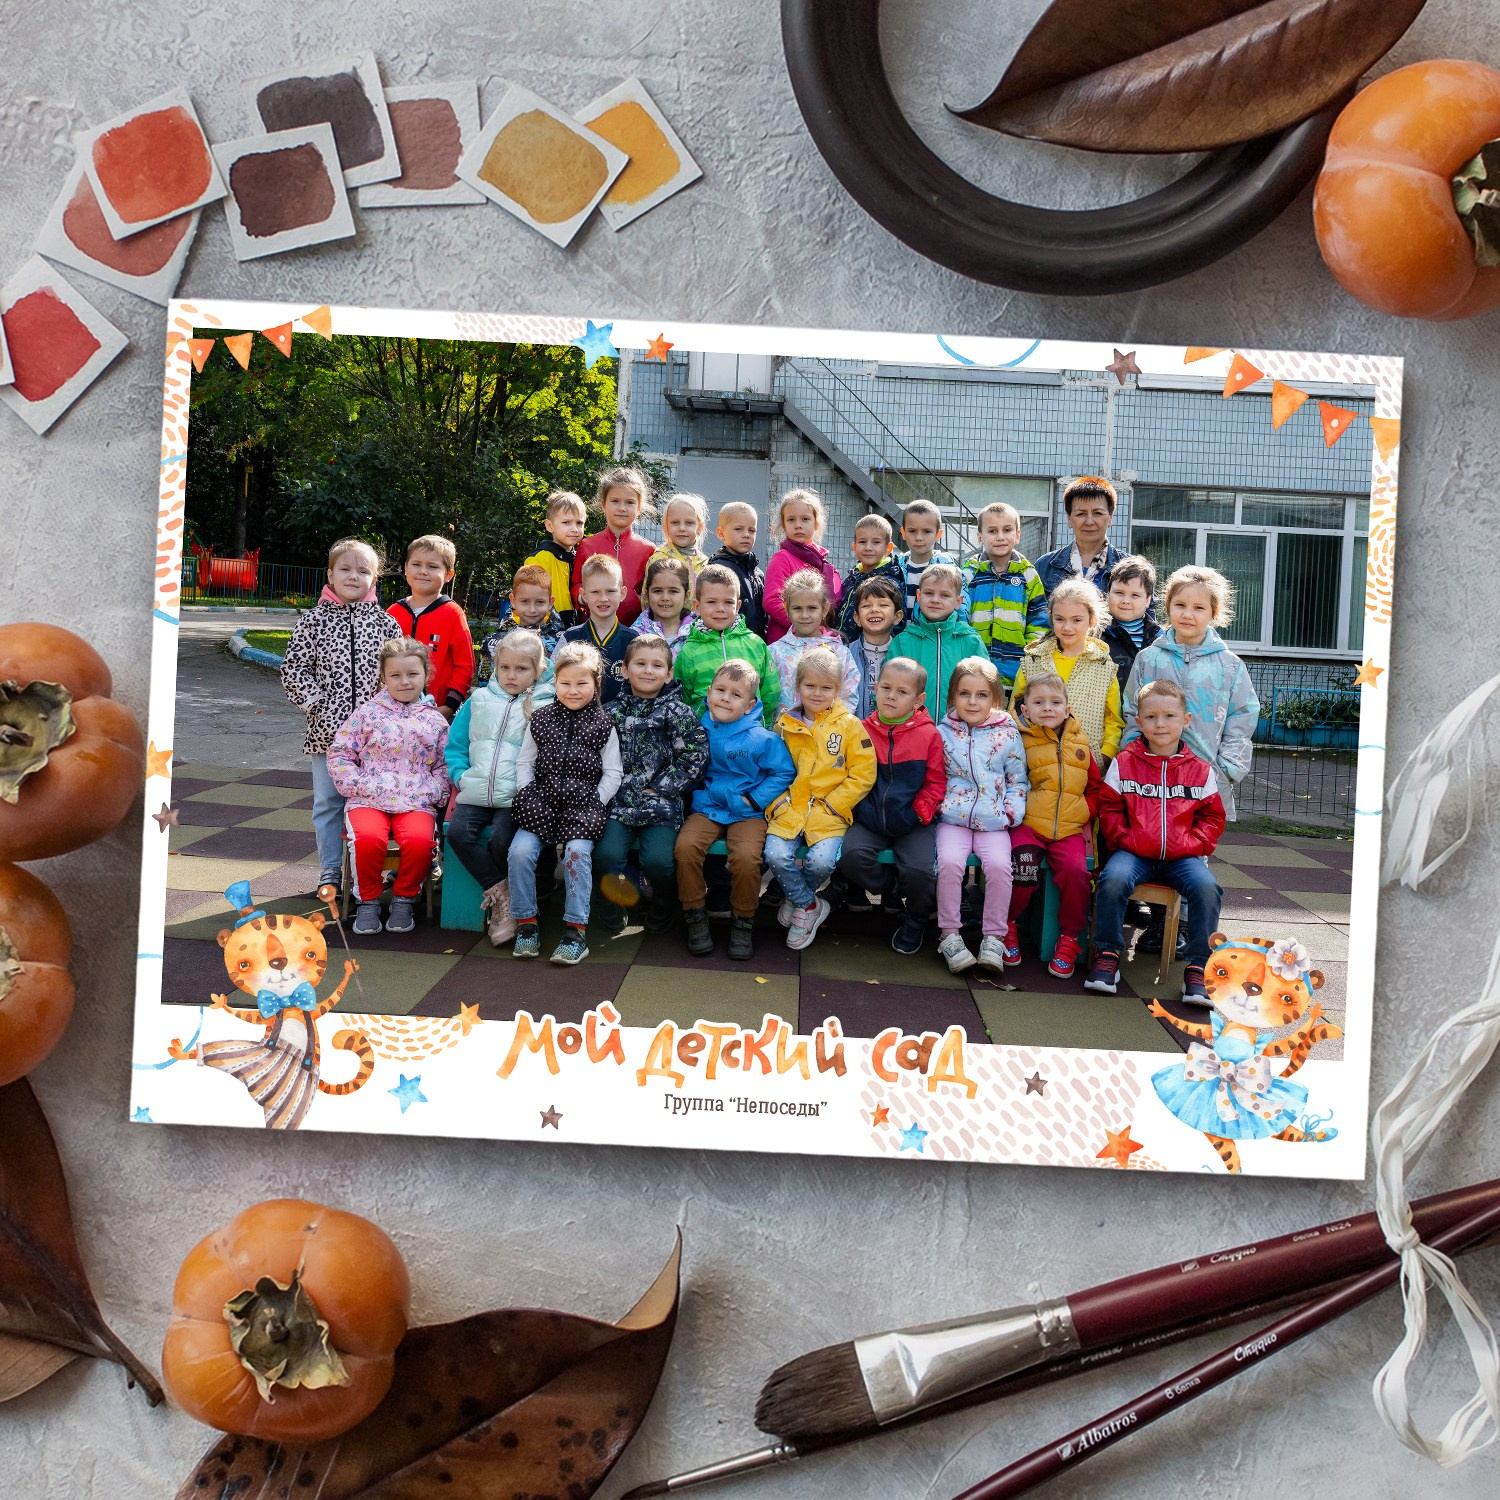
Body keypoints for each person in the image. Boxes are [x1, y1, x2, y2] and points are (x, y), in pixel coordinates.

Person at [1085, 679, 1226, 1001]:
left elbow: (1213, 818)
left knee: (1207, 888)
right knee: (1113, 879)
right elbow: (1108, 807)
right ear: (1139, 722)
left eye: (1169, 716)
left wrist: (1193, 844)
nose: (1160, 724)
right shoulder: (1124, 762)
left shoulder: (1200, 770)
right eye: (1151, 717)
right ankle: (1107, 955)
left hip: (1182, 857)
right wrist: (1126, 837)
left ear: (1185, 720)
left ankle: (1198, 967)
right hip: (1134, 853)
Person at [280, 537, 402, 892]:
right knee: (328, 804)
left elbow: (398, 674)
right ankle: (331, 870)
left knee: (369, 806)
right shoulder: (314, 622)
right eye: (345, 569)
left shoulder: (385, 624)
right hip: (328, 735)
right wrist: (319, 704)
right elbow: (293, 670)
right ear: (330, 574)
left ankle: (365, 872)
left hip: (374, 738)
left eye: (363, 570)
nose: (353, 576)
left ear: (374, 579)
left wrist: (384, 715)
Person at [508, 642, 623, 966]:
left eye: (582, 683)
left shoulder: (603, 724)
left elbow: (613, 772)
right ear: (555, 683)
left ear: (596, 684)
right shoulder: (541, 719)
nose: (573, 690)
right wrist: (529, 792)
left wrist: (594, 801)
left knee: (576, 853)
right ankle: (526, 923)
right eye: (566, 683)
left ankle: (575, 931)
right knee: (519, 852)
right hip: (540, 802)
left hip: (582, 807)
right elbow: (525, 763)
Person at [326, 638, 451, 936]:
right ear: (383, 677)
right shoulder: (367, 714)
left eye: (412, 674)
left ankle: (404, 898)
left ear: (426, 675)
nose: (405, 682)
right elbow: (341, 752)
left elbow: (445, 764)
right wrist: (355, 785)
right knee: (367, 839)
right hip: (368, 798)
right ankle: (368, 901)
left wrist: (435, 791)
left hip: (416, 800)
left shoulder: (435, 721)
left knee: (421, 843)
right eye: (395, 675)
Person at [675, 660, 795, 962]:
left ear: (750, 703)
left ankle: (743, 920)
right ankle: (694, 915)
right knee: (686, 848)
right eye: (720, 690)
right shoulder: (698, 729)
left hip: (747, 811)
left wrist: (755, 800)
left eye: (735, 694)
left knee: (746, 858)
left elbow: (782, 772)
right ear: (709, 692)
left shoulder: (762, 738)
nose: (725, 698)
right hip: (708, 806)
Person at [1122, 564, 1259, 820]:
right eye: (1180, 605)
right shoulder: (1148, 660)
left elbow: (1243, 717)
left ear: (1213, 613)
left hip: (1206, 779)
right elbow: (1131, 711)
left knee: (1196, 849)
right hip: (1149, 776)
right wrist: (1131, 756)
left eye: (1199, 608)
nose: (1187, 614)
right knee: (1147, 839)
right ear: (1168, 607)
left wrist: (1228, 768)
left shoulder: (1229, 666)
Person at [446, 629, 554, 946]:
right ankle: (502, 892)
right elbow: (456, 745)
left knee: (502, 839)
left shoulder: (545, 705)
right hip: (476, 790)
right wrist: (461, 776)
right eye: (504, 667)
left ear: (538, 669)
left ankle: (506, 908)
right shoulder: (478, 700)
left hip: (516, 797)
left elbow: (548, 754)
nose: (511, 675)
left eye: (521, 669)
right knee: (456, 834)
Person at [597, 635, 709, 935]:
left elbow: (694, 756)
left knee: (659, 861)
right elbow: (596, 756)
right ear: (625, 670)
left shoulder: (678, 712)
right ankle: (611, 905)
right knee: (606, 855)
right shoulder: (609, 712)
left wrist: (661, 787)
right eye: (640, 664)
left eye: (657, 665)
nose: (648, 671)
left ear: (669, 673)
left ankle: (663, 901)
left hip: (662, 804)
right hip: (618, 803)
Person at [765, 649, 876, 951]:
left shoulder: (850, 726)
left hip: (828, 813)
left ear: (837, 690)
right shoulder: (784, 724)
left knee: (822, 861)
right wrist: (778, 803)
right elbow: (771, 770)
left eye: (826, 687)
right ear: (797, 686)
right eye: (810, 686)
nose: (817, 693)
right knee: (775, 855)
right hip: (789, 810)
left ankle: (796, 900)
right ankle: (809, 906)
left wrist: (834, 804)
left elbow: (863, 772)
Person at [840, 658, 946, 955]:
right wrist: (860, 810)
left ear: (918, 699)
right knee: (850, 856)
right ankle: (892, 890)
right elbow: (849, 776)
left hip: (912, 821)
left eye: (902, 692)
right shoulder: (860, 730)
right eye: (885, 688)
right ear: (875, 688)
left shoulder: (929, 735)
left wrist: (917, 813)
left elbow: (935, 784)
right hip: (870, 819)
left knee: (921, 872)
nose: (891, 696)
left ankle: (916, 917)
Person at [934, 657, 1029, 974]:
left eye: (981, 695)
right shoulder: (943, 732)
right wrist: (940, 806)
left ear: (995, 699)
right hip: (953, 820)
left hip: (994, 823)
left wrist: (1010, 814)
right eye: (964, 694)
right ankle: (949, 934)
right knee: (948, 864)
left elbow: (1018, 780)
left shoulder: (1007, 734)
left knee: (1001, 867)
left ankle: (993, 937)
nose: (972, 702)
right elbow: (934, 776)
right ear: (953, 697)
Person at [1005, 673, 1103, 979]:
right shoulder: (1018, 740)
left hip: (1069, 829)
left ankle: (1070, 937)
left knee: (1076, 874)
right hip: (1028, 825)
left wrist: (1085, 811)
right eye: (1038, 702)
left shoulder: (1081, 743)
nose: (1047, 708)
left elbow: (1096, 788)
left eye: (1055, 702)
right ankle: (1005, 925)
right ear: (1025, 710)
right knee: (1024, 870)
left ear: (1067, 707)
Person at [1012, 579, 1123, 768]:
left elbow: (1113, 720)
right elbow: (1014, 709)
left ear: (1092, 620)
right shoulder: (1033, 660)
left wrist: (1104, 756)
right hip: (1036, 765)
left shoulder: (1104, 666)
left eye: (1077, 620)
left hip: (1087, 767)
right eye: (1060, 619)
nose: (1067, 627)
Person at [674, 564, 780, 726]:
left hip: (749, 734)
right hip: (706, 738)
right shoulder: (689, 652)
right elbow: (684, 699)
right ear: (697, 606)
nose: (720, 609)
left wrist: (763, 726)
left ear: (737, 606)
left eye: (728, 602)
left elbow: (770, 692)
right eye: (711, 602)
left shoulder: (755, 644)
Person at [962, 501, 1047, 692]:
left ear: (1017, 535)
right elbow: (959, 616)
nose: (1000, 537)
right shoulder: (968, 573)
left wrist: (1028, 659)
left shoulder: (1028, 575)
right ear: (980, 537)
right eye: (992, 531)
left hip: (1016, 673)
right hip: (973, 671)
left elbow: (1040, 620)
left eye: (1007, 530)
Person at [386, 534, 473, 720]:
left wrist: (449, 707)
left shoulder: (453, 614)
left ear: (448, 575)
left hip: (437, 712)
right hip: (392, 710)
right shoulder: (393, 612)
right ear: (406, 568)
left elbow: (465, 666)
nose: (423, 571)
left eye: (432, 566)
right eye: (416, 564)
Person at [887, 564, 987, 715]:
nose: (935, 600)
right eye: (929, 593)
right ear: (919, 597)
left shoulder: (971, 641)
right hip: (911, 730)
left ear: (958, 601)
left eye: (945, 595)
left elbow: (985, 689)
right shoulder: (903, 642)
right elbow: (887, 688)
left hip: (959, 732)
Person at [767, 568, 861, 712]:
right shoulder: (774, 653)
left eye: (812, 608)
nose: (805, 615)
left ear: (824, 609)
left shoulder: (840, 653)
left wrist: (832, 730)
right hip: (782, 733)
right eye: (797, 608)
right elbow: (766, 697)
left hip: (827, 733)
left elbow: (848, 698)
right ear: (787, 609)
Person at [572, 464, 655, 625]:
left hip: (635, 629)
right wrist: (582, 597)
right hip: (592, 627)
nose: (622, 508)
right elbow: (577, 583)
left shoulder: (648, 550)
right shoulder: (587, 545)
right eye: (615, 501)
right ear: (603, 504)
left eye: (630, 502)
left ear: (639, 507)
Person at [764, 487, 842, 642]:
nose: (798, 525)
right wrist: (804, 628)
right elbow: (772, 601)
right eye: (791, 519)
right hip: (787, 642)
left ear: (816, 523)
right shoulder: (782, 558)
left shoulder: (824, 563)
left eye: (805, 519)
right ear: (784, 524)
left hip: (819, 640)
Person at [1034, 476, 1129, 597]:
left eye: (1097, 513)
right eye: (1081, 514)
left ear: (1110, 517)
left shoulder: (1129, 568)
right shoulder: (1045, 566)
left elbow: (1148, 614)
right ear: (1069, 518)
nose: (1089, 522)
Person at [563, 554, 638, 705]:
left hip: (619, 723)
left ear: (622, 593)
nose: (603, 598)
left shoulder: (633, 641)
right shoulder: (570, 638)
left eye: (610, 591)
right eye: (595, 592)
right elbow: (556, 682)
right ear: (584, 595)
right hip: (578, 722)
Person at [475, 563, 565, 684]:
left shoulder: (563, 641)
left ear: (550, 602)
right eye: (525, 601)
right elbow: (485, 683)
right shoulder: (494, 642)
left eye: (539, 602)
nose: (532, 609)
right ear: (513, 600)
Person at [520, 489, 587, 628]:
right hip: (547, 628)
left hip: (575, 625)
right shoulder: (539, 559)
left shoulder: (582, 557)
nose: (574, 529)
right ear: (550, 526)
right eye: (566, 522)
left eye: (579, 523)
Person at [895, 497, 965, 619]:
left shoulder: (950, 570)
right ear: (903, 533)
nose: (919, 537)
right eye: (912, 531)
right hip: (900, 637)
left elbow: (961, 610)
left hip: (936, 636)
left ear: (938, 534)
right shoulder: (896, 568)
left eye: (927, 531)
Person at [837, 512, 903, 641]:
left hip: (873, 650)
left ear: (888, 548)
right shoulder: (850, 579)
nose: (868, 548)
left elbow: (897, 625)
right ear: (854, 547)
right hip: (844, 649)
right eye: (862, 542)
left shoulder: (890, 583)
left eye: (876, 542)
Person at [847, 575, 904, 720]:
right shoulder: (845, 654)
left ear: (897, 617)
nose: (874, 610)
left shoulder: (905, 654)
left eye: (883, 605)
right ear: (857, 618)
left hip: (894, 735)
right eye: (866, 606)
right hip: (855, 734)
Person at [708, 500, 767, 637]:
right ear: (721, 533)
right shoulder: (718, 569)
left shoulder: (757, 572)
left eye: (751, 530)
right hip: (730, 642)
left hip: (755, 643)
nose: (746, 534)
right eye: (738, 529)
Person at [1101, 554, 1161, 689]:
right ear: (1108, 593)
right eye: (1119, 593)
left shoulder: (1161, 639)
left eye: (1135, 595)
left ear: (1147, 600)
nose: (1125, 601)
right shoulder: (1095, 634)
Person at [634, 555, 698, 659]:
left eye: (673, 591)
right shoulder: (635, 634)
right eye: (658, 591)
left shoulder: (698, 633)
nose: (665, 598)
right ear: (647, 594)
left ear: (686, 595)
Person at [649, 492, 710, 580]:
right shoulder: (658, 559)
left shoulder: (705, 563)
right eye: (675, 522)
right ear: (666, 525)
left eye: (689, 523)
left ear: (700, 527)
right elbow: (647, 592)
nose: (682, 528)